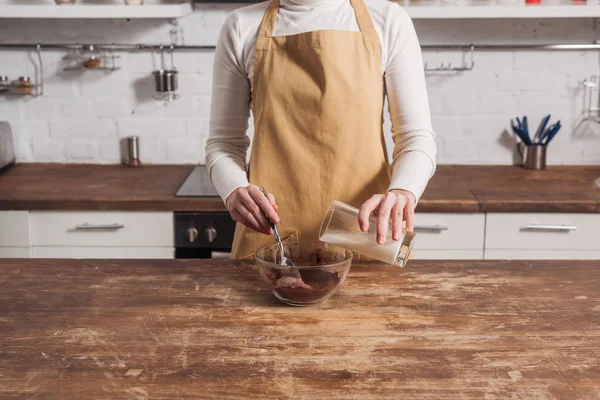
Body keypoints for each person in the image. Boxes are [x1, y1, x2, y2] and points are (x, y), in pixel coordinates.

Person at [205, 0, 437, 259]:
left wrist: (404, 190)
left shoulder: (389, 20)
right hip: (272, 245)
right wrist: (234, 190)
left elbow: (415, 138)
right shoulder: (241, 27)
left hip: (366, 239)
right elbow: (224, 144)